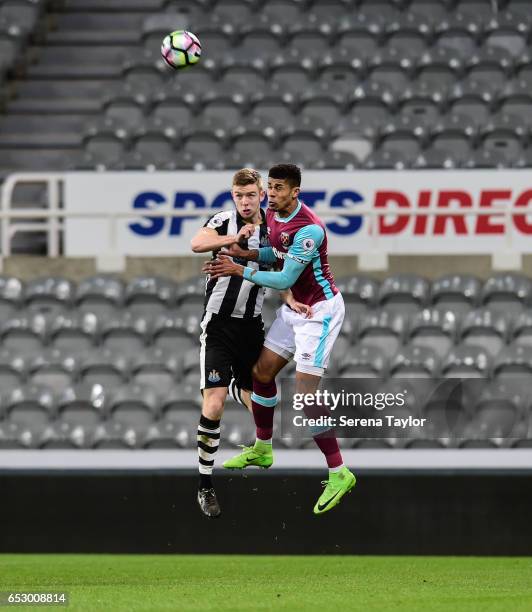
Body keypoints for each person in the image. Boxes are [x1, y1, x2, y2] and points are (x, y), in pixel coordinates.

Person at [203, 163, 356, 515]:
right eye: (269, 187)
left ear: (295, 192)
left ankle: (339, 472)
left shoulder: (310, 230)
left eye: (278, 188)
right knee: (261, 374)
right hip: (296, 310)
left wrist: (239, 268)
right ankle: (263, 448)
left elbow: (285, 276)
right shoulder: (272, 216)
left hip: (318, 312)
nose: (270, 194)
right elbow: (276, 254)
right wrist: (248, 253)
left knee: (304, 397)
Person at [190, 167, 310, 519]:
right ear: (234, 197)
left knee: (257, 402)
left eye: (250, 195)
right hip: (218, 328)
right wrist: (231, 240)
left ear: (262, 195)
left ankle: (263, 450)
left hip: (251, 328)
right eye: (238, 195)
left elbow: (279, 265)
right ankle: (205, 484)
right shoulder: (223, 222)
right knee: (213, 405)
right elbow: (197, 244)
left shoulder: (273, 229)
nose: (244, 201)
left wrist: (288, 295)